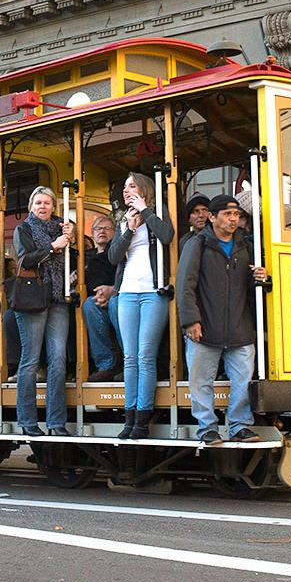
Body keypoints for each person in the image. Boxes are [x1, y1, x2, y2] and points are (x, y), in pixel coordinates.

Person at [177, 194, 267, 444]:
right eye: (228, 214)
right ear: (212, 217)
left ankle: (239, 425)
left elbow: (248, 288)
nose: (233, 219)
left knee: (242, 380)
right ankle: (207, 427)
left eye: (237, 215)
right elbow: (185, 284)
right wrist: (190, 321)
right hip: (204, 327)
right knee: (201, 381)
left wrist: (260, 278)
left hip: (239, 326)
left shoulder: (246, 245)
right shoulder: (197, 244)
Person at [108, 172, 174, 439]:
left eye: (132, 186)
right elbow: (114, 256)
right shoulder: (124, 219)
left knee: (145, 356)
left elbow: (166, 235)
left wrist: (145, 212)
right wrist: (130, 228)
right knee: (130, 358)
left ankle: (143, 418)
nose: (127, 190)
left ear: (145, 189)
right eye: (124, 186)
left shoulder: (156, 213)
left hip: (152, 292)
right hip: (127, 293)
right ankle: (129, 416)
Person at [13, 185, 75, 436]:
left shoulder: (64, 228)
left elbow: (77, 256)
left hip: (59, 298)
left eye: (47, 203)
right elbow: (25, 259)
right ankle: (28, 421)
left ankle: (56, 422)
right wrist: (54, 246)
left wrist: (71, 238)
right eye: (38, 203)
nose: (42, 207)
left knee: (58, 360)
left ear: (53, 206)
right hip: (33, 299)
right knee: (30, 361)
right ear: (31, 206)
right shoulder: (23, 228)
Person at [83, 215, 119, 382]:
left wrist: (112, 290)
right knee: (89, 305)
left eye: (107, 228)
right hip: (95, 300)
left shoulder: (119, 251)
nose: (102, 231)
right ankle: (106, 364)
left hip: (118, 295)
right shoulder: (85, 256)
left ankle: (128, 361)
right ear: (92, 233)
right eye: (98, 228)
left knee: (115, 304)